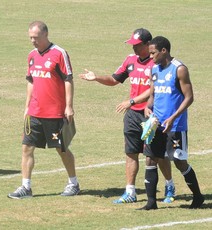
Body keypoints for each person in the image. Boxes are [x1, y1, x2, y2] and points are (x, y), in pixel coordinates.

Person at [79, 28, 175, 204]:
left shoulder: (157, 64)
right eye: (132, 45)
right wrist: (96, 78)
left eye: (137, 45)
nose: (134, 49)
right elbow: (115, 79)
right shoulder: (130, 61)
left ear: (148, 45)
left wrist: (131, 101)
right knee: (130, 152)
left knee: (155, 154)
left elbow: (153, 91)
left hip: (151, 113)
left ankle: (169, 185)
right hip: (132, 115)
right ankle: (130, 191)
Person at [7, 21, 80, 199]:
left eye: (36, 37)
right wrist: (27, 106)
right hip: (35, 113)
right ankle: (26, 187)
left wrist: (69, 106)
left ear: (46, 35)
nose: (33, 41)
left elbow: (68, 80)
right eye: (31, 37)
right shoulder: (31, 55)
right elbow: (30, 81)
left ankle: (73, 183)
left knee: (61, 148)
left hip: (54, 114)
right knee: (27, 148)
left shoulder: (59, 53)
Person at [139, 36, 205, 210]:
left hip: (175, 126)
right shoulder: (154, 69)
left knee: (179, 161)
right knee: (151, 159)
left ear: (164, 51)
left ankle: (198, 197)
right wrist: (147, 107)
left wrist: (173, 117)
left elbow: (189, 97)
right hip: (156, 125)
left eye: (153, 53)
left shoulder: (179, 69)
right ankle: (151, 203)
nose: (151, 57)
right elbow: (152, 95)